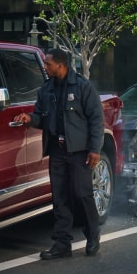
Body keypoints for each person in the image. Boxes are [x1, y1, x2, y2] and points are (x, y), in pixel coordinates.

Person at [13, 48, 104, 260]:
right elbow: (41, 117)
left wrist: (94, 149)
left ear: (60, 65)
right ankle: (62, 244)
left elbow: (96, 120)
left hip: (79, 151)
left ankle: (93, 235)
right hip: (57, 150)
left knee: (82, 194)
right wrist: (29, 119)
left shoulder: (83, 87)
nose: (45, 67)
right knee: (60, 197)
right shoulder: (46, 90)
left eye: (48, 64)